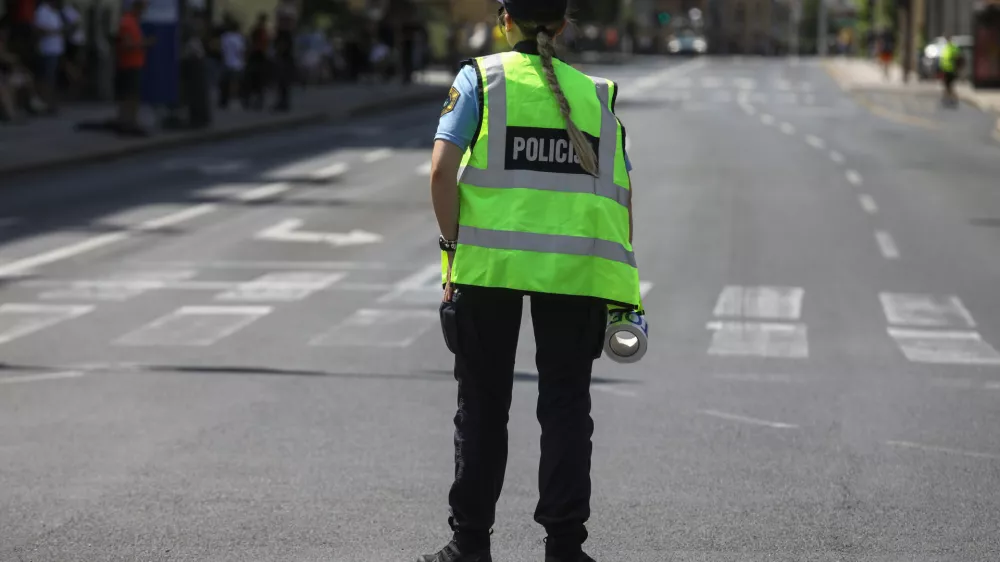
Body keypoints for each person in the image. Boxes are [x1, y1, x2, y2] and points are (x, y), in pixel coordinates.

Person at [422, 0, 639, 560]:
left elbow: (443, 170)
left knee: (483, 404)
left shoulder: (481, 80)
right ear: (564, 25)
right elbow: (622, 196)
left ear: (504, 19)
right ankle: (564, 546)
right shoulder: (596, 95)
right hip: (574, 270)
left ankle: (469, 545)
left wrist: (453, 249)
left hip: (489, 270)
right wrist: (617, 290)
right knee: (566, 405)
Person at [115, 0, 153, 135]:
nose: (144, 11)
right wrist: (144, 44)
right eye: (143, 8)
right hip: (129, 64)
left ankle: (131, 121)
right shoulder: (127, 21)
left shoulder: (135, 22)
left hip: (136, 63)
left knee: (133, 95)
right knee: (129, 95)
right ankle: (126, 122)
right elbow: (126, 44)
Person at [939, 35, 963, 107]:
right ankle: (949, 98)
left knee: (950, 85)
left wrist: (958, 68)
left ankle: (952, 98)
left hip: (952, 70)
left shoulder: (953, 48)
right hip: (945, 70)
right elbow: (942, 60)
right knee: (947, 85)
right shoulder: (945, 48)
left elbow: (958, 58)